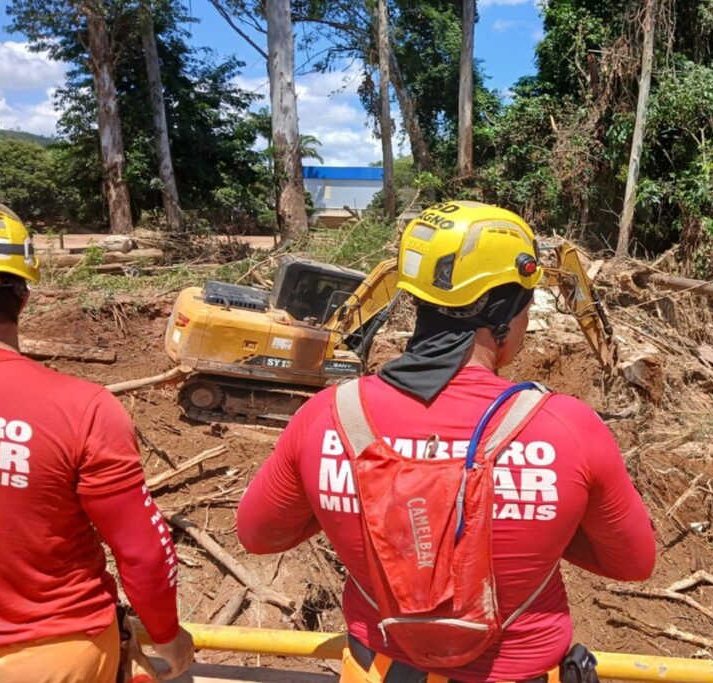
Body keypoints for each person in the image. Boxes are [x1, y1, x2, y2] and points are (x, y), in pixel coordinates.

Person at [238, 201, 655, 683]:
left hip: (380, 669)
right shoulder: (567, 426)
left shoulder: (328, 418)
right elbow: (632, 562)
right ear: (505, 314)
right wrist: (546, 530)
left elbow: (258, 535)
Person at [0, 196, 195, 683]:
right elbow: (142, 550)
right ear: (25, 296)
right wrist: (167, 635)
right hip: (54, 655)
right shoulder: (83, 409)